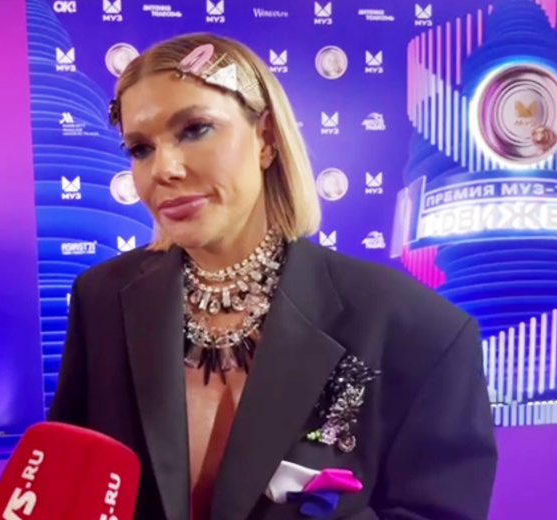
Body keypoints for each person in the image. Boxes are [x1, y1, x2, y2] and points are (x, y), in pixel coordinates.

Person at [48, 33, 497, 520]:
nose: (164, 169)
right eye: (140, 149)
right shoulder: (102, 299)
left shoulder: (420, 330)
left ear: (266, 140)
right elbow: (69, 489)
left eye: (195, 129)